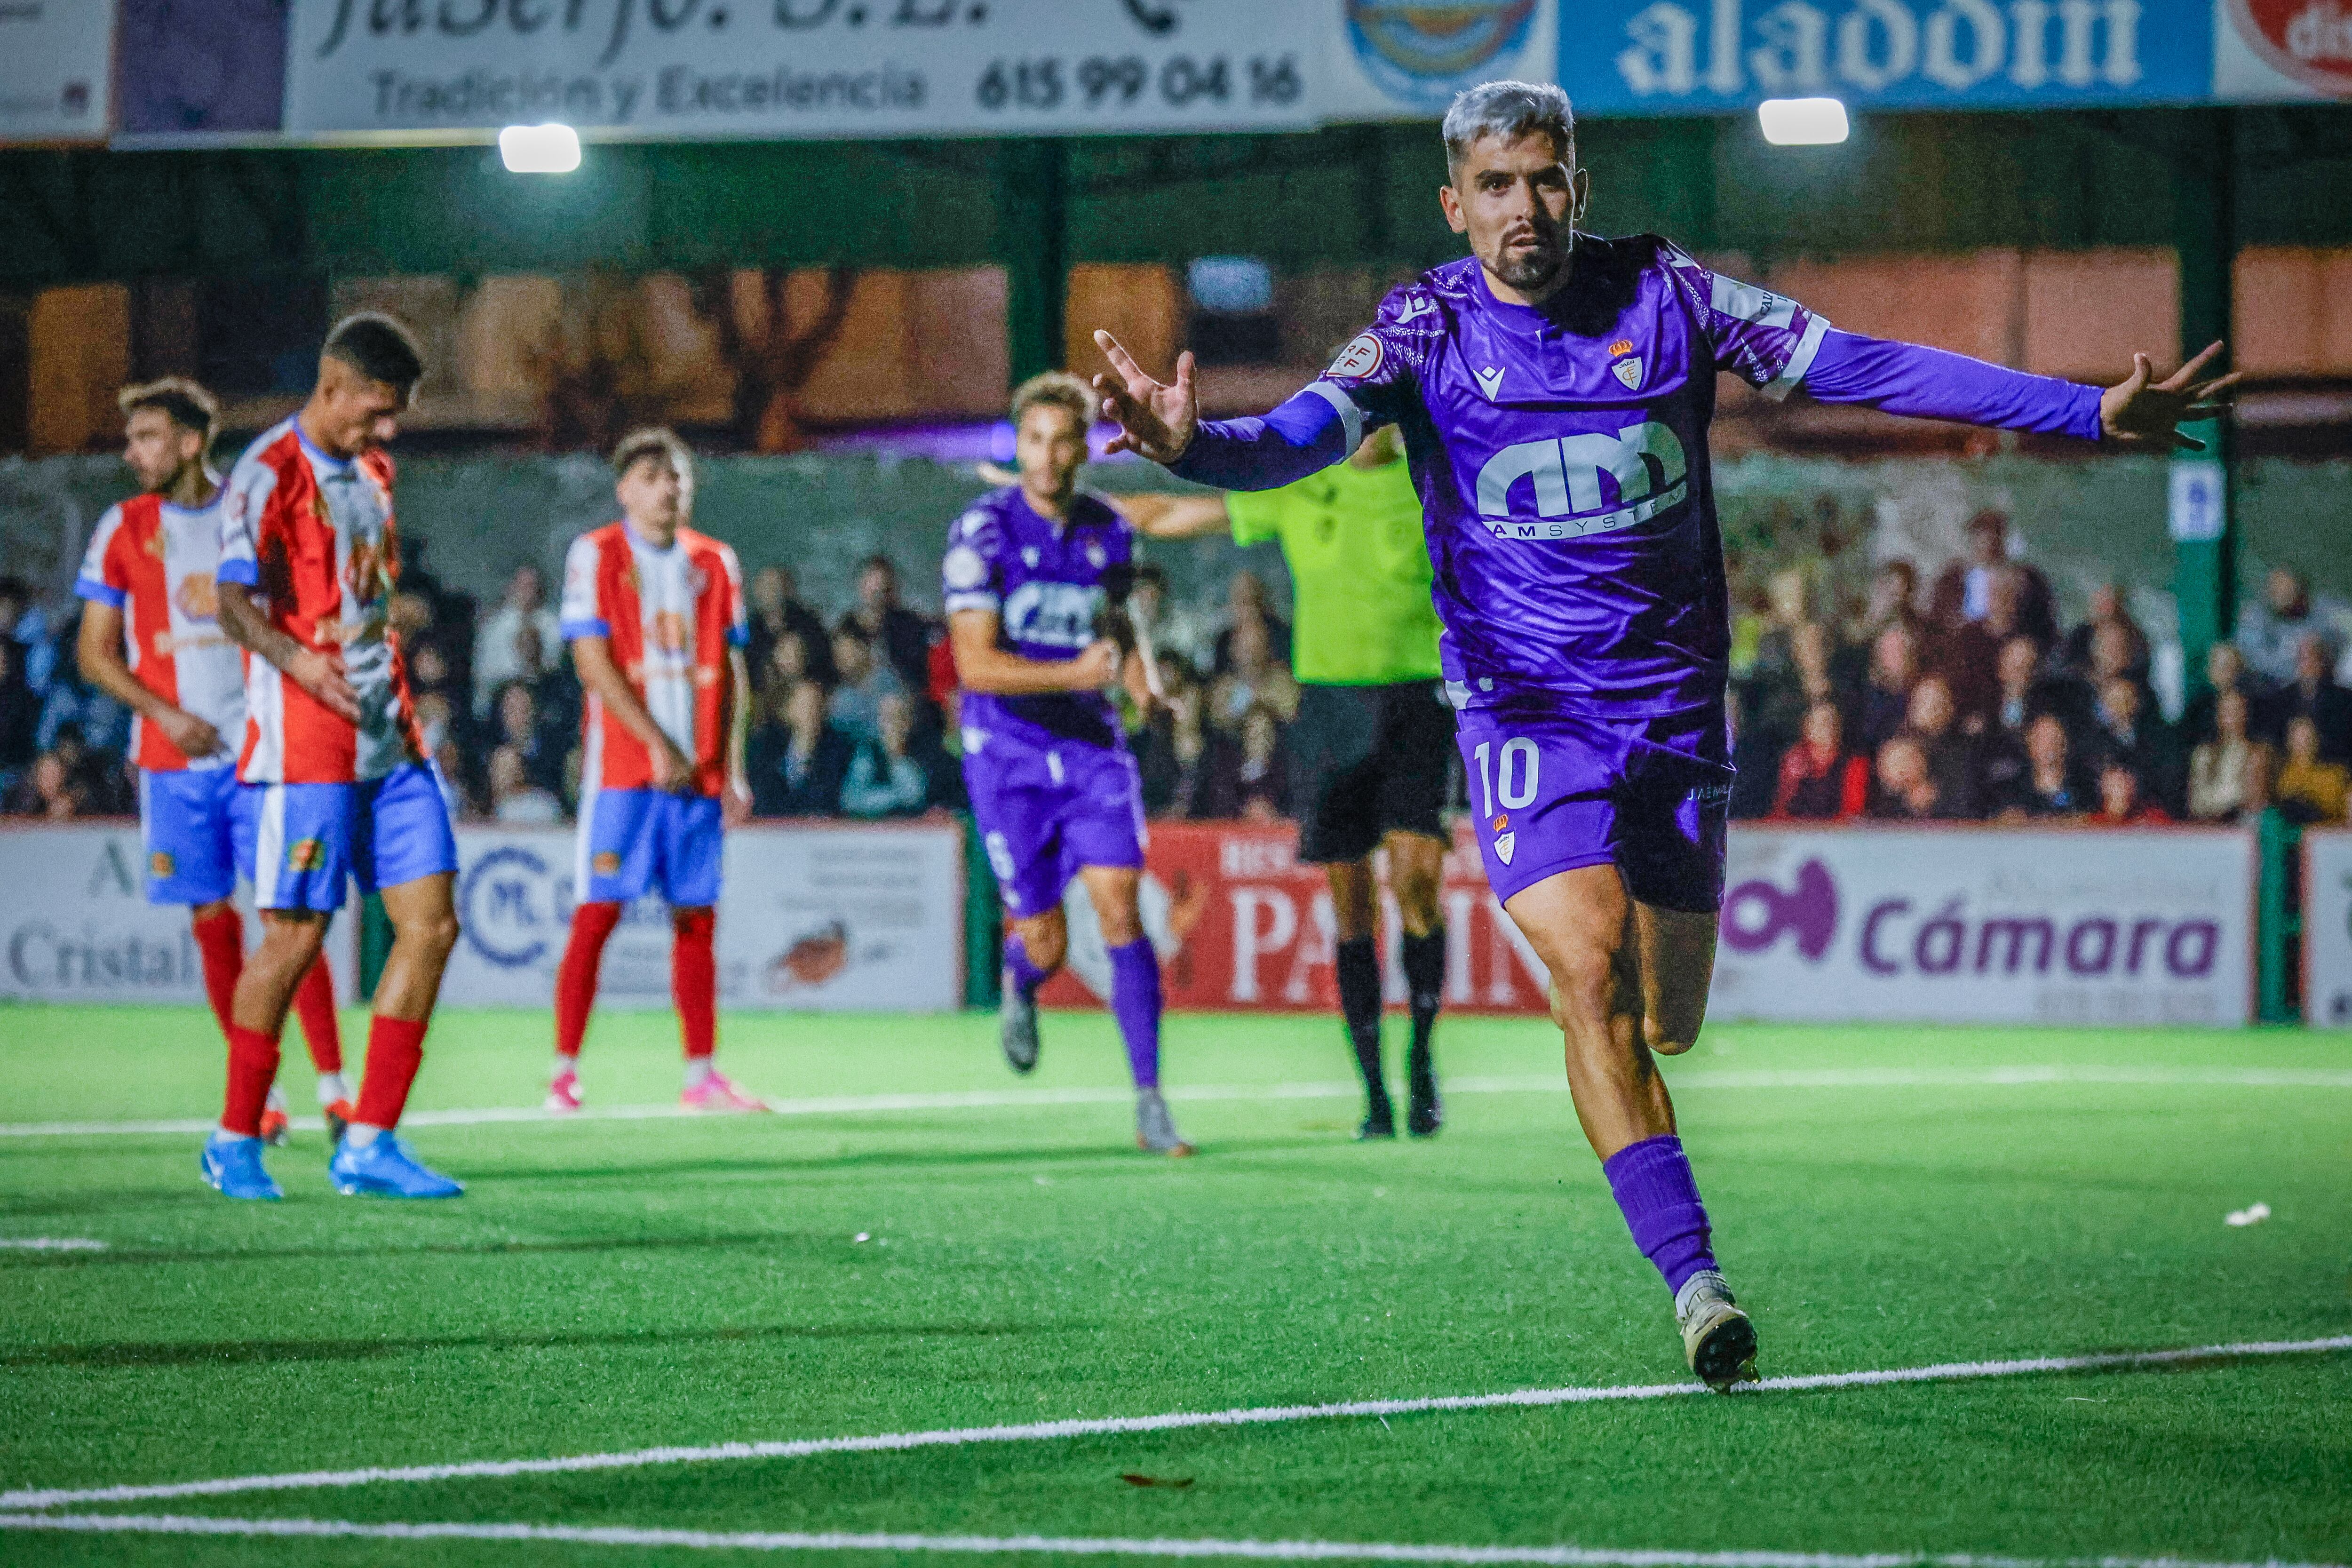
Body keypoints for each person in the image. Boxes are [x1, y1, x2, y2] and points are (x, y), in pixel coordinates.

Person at [1087, 79, 2230, 1387]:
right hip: (1524, 710)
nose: (1528, 205)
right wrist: (1197, 446)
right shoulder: (1423, 326)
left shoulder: (1675, 297)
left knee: (1669, 1016)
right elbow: (1299, 434)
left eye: (1548, 176)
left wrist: (2084, 412)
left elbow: (1865, 365)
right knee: (1590, 976)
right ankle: (1697, 1284)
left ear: (1580, 183)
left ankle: (1663, 1141)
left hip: (1676, 712)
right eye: (1499, 185)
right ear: (1454, 205)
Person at [1120, 418, 1455, 1140]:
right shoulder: (1305, 486)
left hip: (1418, 701)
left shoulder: (1439, 478)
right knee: (1351, 903)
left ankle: (1422, 1059)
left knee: (1418, 881)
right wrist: (1090, 509)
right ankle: (1375, 1091)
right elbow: (1188, 512)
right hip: (1331, 708)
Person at [213, 313, 464, 1201]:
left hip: (392, 742)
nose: (386, 429)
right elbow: (230, 601)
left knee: (431, 925)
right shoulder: (267, 473)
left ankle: (369, 1140)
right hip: (306, 745)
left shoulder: (375, 473)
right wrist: (296, 660)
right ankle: (236, 1135)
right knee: (295, 935)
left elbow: (364, 596)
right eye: (377, 409)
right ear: (331, 386)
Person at [74, 378, 353, 1147]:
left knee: (289, 917)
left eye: (149, 437)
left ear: (192, 441)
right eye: (131, 439)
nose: (134, 453)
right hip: (171, 761)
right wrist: (164, 713)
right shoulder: (121, 528)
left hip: (265, 753)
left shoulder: (251, 510)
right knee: (212, 919)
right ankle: (256, 1095)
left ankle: (336, 1087)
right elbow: (93, 654)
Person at [946, 370, 1188, 1156]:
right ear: (1018, 446)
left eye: (1064, 441)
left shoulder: (1108, 528)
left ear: (1085, 448)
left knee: (1121, 907)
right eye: (1035, 441)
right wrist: (1079, 672)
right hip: (1008, 754)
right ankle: (1022, 980)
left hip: (1090, 748)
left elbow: (1117, 617)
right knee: (1046, 940)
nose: (1049, 457)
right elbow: (975, 667)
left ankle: (1151, 1099)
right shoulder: (981, 533)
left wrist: (1143, 680)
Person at [548, 428, 759, 1115]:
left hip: (696, 778)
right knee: (599, 913)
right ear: (624, 489)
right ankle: (564, 1073)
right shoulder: (597, 554)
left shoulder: (717, 561)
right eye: (653, 476)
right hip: (624, 773)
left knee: (697, 919)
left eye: (678, 477)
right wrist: (657, 745)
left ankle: (702, 1076)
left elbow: (732, 668)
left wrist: (730, 766)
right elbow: (592, 664)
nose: (670, 488)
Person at [1927, 509, 2058, 648]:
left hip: (2009, 648)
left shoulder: (2027, 579)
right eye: (1982, 537)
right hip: (1964, 647)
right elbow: (1938, 620)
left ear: (2002, 541)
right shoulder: (1953, 578)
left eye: (1993, 537)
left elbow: (2043, 625)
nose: (1988, 544)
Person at [748, 677, 853, 817]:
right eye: (805, 706)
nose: (812, 713)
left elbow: (831, 800)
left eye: (817, 706)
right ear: (789, 711)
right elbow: (762, 798)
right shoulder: (768, 748)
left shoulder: (839, 752)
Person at [841, 555, 936, 699]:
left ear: (893, 591)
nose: (878, 596)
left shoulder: (910, 626)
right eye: (874, 590)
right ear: (861, 586)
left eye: (884, 590)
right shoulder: (848, 627)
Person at [471, 564, 562, 715]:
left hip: (541, 699)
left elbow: (554, 667)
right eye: (522, 586)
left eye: (531, 586)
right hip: (499, 701)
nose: (527, 592)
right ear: (511, 587)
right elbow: (484, 674)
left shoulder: (553, 625)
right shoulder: (493, 626)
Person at [2236, 568, 2339, 688]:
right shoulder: (2255, 616)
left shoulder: (2320, 612)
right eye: (2276, 589)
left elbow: (2329, 652)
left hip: (2313, 687)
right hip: (2267, 687)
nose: (2281, 594)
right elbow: (2255, 660)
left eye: (2287, 588)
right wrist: (2294, 665)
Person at [1769, 700, 1867, 820]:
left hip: (1838, 835)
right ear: (1806, 728)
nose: (1827, 729)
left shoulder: (1854, 764)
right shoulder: (1794, 760)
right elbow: (1782, 806)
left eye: (1832, 723)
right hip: (1796, 832)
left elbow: (1853, 813)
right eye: (1820, 724)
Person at [2187, 690, 2271, 823]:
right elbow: (2195, 801)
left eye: (2237, 711)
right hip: (2206, 825)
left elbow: (2254, 800)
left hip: (2239, 825)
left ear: (2245, 715)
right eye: (2226, 711)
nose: (2232, 717)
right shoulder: (2203, 754)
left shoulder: (2255, 753)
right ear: (2218, 716)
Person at [1992, 712, 2087, 820]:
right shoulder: (2014, 789)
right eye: (2040, 739)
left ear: (2064, 745)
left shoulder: (2083, 785)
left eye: (2053, 739)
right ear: (2029, 744)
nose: (2047, 746)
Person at [2272, 716, 2349, 825]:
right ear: (2289, 742)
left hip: (2324, 834)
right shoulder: (2280, 775)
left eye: (2307, 738)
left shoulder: (2333, 776)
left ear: (2316, 740)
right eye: (2298, 738)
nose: (2303, 744)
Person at [2089, 762, 2170, 826]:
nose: (2122, 791)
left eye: (2125, 784)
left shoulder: (2154, 819)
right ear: (2104, 791)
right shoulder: (2094, 824)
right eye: (2115, 786)